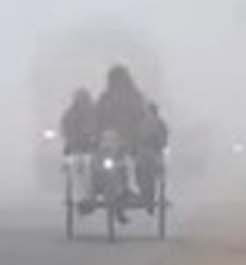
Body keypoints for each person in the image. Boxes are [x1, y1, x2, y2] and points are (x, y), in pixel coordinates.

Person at [94, 65, 149, 222]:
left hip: (128, 143)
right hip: (108, 143)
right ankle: (94, 191)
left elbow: (142, 119)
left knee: (130, 164)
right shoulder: (106, 98)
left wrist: (137, 137)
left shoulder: (134, 98)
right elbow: (97, 120)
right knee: (95, 164)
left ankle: (129, 189)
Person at [59, 87, 98, 213]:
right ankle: (83, 198)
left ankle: (89, 196)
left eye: (84, 99)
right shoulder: (70, 115)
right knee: (76, 169)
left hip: (91, 151)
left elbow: (99, 129)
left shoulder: (95, 113)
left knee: (89, 167)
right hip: (75, 150)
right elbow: (65, 131)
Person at [133, 101, 170, 214]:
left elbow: (163, 138)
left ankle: (149, 199)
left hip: (151, 152)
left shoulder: (156, 123)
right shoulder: (145, 123)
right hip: (148, 152)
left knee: (148, 176)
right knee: (145, 176)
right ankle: (147, 199)